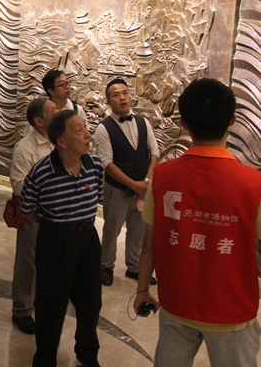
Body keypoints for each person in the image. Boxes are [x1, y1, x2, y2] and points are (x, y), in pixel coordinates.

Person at [133, 78, 261, 367]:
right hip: (232, 310)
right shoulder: (254, 185)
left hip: (176, 303)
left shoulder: (162, 177)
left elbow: (148, 244)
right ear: (232, 120)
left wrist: (142, 290)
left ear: (184, 124)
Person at [21, 110, 103, 367]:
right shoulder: (42, 171)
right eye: (79, 130)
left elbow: (97, 196)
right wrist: (54, 223)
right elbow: (27, 207)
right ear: (61, 141)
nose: (88, 134)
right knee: (51, 304)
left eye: (86, 128)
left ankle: (88, 354)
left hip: (88, 238)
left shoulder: (95, 165)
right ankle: (45, 359)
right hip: (55, 240)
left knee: (91, 302)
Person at [94, 78, 159, 287]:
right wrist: (133, 184)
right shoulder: (104, 129)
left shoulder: (143, 122)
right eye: (116, 95)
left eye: (125, 93)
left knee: (138, 231)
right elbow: (107, 163)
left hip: (142, 189)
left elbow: (154, 153)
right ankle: (106, 266)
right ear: (108, 101)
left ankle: (134, 267)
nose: (122, 98)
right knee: (111, 230)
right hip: (117, 190)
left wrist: (145, 182)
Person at [9, 98, 57, 335]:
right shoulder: (25, 148)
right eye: (52, 111)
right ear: (39, 120)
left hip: (58, 216)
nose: (58, 112)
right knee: (28, 263)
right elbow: (19, 185)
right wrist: (49, 190)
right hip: (34, 214)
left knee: (49, 262)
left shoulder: (60, 142)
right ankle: (22, 310)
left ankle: (41, 299)